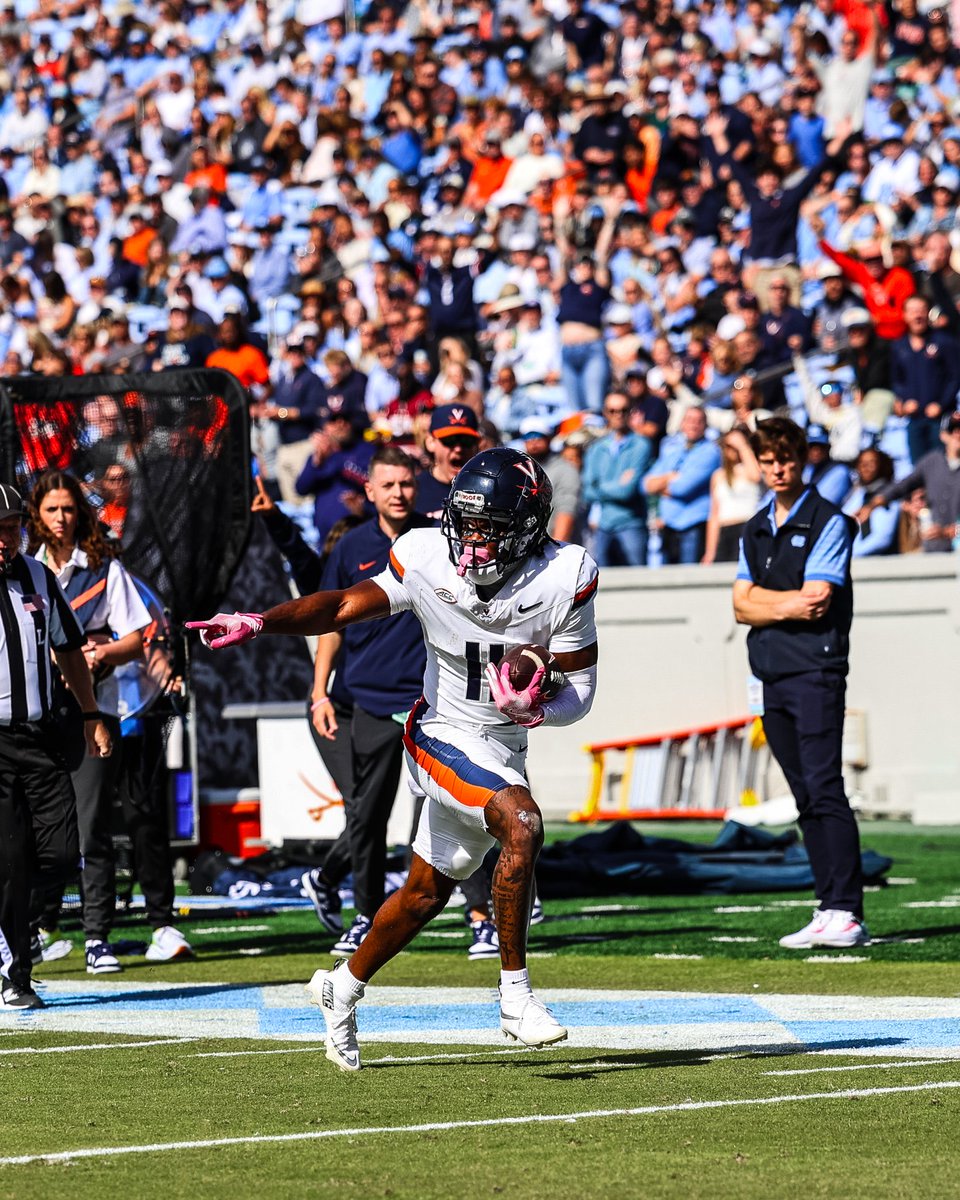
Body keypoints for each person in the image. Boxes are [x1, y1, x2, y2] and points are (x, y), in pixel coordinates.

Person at [188, 446, 599, 1069]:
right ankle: (515, 997)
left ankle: (342, 986)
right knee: (523, 823)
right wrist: (258, 621)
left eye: (492, 530)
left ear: (528, 527)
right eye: (467, 526)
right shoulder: (426, 554)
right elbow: (342, 605)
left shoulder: (565, 574)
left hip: (504, 745)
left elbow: (581, 696)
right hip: (439, 734)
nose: (474, 544)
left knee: (423, 895)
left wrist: (536, 703)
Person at [27, 471, 193, 971]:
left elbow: (137, 635)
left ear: (81, 512)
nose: (61, 519)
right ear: (36, 515)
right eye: (51, 510)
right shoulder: (23, 569)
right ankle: (35, 927)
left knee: (99, 822)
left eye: (69, 509)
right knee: (34, 828)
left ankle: (97, 936)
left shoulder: (102, 567)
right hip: (30, 716)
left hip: (97, 709)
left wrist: (98, 653)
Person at [733, 418, 867, 950]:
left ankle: (848, 910)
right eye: (768, 460)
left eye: (786, 458)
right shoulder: (754, 526)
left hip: (815, 671)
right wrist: (774, 605)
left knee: (825, 786)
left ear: (802, 459)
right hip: (770, 675)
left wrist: (764, 603)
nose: (778, 468)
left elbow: (817, 601)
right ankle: (828, 904)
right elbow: (739, 606)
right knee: (804, 794)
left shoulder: (830, 520)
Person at [302, 446, 432, 956]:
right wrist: (320, 692)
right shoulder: (350, 544)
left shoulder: (438, 541)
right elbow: (331, 622)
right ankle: (366, 914)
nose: (399, 493)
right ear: (370, 491)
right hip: (371, 701)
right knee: (368, 814)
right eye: (389, 484)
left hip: (432, 701)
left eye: (406, 483)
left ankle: (479, 914)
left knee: (455, 805)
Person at [0, 482, 112, 1009]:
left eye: (11, 528)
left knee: (64, 851)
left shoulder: (39, 577)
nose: (5, 539)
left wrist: (91, 714)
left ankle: (17, 929)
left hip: (39, 737)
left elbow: (69, 651)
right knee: (11, 858)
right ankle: (15, 974)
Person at [581, 390, 651, 566]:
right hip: (603, 525)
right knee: (602, 582)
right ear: (605, 413)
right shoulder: (596, 448)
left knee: (639, 581)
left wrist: (600, 486)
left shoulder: (641, 445)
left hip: (632, 523)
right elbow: (587, 491)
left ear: (630, 412)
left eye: (623, 410)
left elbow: (627, 491)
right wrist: (617, 485)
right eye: (612, 411)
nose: (618, 415)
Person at [644, 408, 722, 564]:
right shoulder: (673, 450)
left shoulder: (711, 452)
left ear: (705, 426)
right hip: (668, 526)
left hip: (693, 525)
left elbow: (682, 488)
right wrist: (669, 477)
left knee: (689, 579)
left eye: (698, 421)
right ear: (682, 424)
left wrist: (661, 485)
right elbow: (646, 485)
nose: (693, 425)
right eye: (689, 420)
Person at [702, 428, 763, 564]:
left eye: (735, 446)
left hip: (746, 527)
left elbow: (756, 476)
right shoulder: (718, 475)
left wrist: (742, 446)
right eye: (728, 446)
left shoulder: (750, 469)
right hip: (725, 531)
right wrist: (710, 551)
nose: (732, 450)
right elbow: (714, 515)